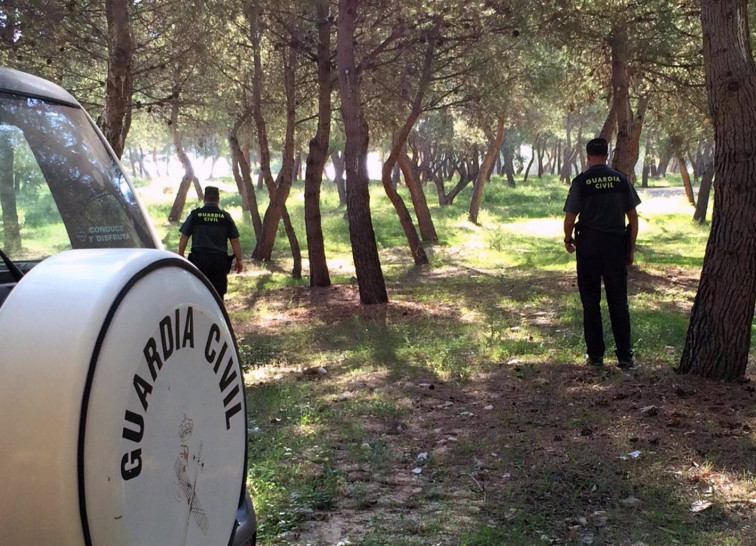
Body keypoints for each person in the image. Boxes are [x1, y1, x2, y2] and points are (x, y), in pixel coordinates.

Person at [563, 138, 641, 370]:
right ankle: (625, 358)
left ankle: (596, 356)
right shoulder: (620, 180)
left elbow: (569, 218)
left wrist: (568, 240)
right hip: (615, 246)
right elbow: (633, 218)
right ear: (606, 155)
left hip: (588, 247)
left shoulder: (581, 182)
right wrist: (630, 248)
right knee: (619, 301)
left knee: (591, 301)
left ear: (588, 156)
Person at [178, 186, 243, 299]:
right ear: (218, 199)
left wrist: (181, 255)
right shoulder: (225, 217)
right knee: (218, 294)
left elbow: (184, 236)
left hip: (199, 260)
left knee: (198, 292)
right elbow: (235, 240)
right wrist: (239, 259)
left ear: (204, 198)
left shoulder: (195, 215)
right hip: (219, 261)